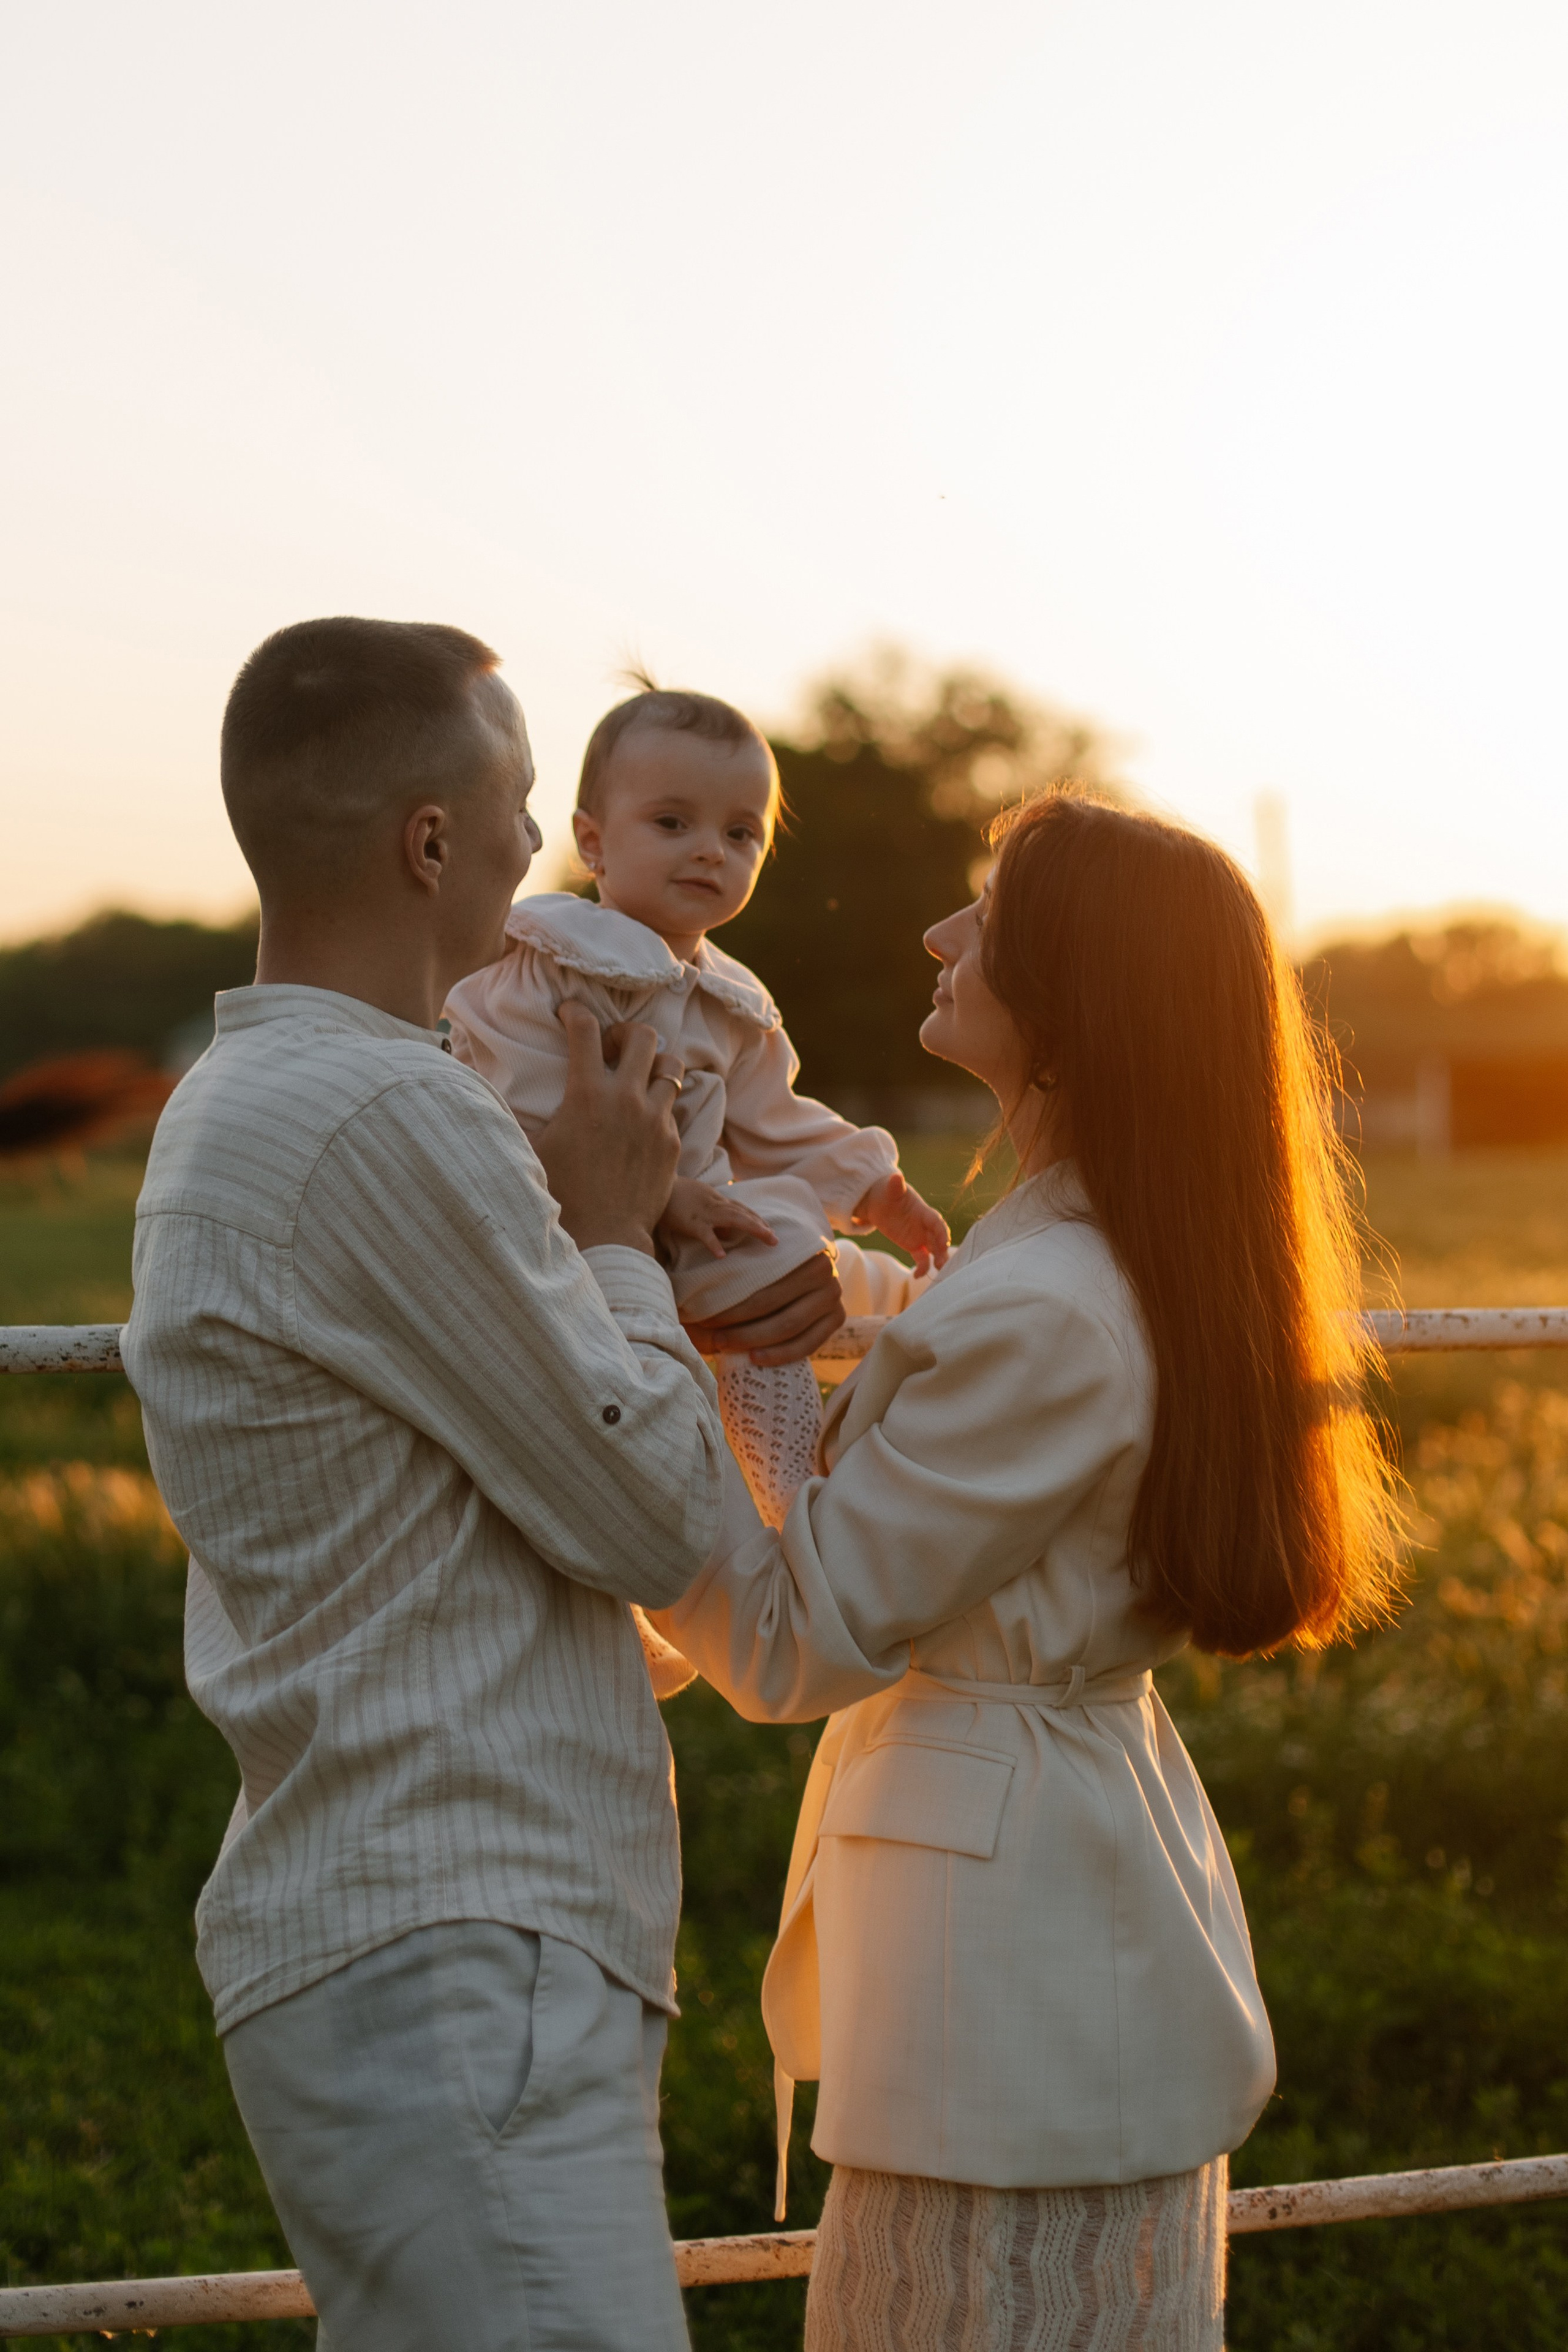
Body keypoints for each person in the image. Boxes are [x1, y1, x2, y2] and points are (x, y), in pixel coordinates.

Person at [120, 616, 842, 2352]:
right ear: (431, 844)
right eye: (522, 801)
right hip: (458, 1925)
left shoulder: (254, 1098)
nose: (541, 845)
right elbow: (651, 1518)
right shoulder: (392, 1117)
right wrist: (615, 1232)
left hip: (420, 1924)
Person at [652, 791, 1399, 2351]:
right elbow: (951, 1337)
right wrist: (817, 1288)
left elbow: (792, 1645)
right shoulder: (1085, 1245)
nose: (938, 935)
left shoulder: (1055, 1301)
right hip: (1040, 1928)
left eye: (982, 914)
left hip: (1005, 1987)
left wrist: (615, 1332)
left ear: (1073, 1000)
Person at [444, 680, 949, 1526]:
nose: (711, 851)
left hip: (698, 1238)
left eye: (740, 832)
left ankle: (784, 1477)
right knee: (570, 1412)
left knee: (782, 1244)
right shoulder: (554, 957)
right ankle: (662, 1522)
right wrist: (656, 1195)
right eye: (673, 824)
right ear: (593, 844)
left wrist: (877, 1191)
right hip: (557, 1219)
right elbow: (517, 1096)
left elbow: (778, 1122)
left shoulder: (731, 1004)